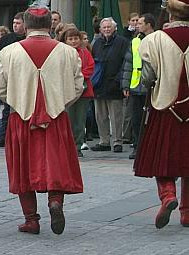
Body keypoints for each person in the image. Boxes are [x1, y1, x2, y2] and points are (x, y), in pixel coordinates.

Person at [0, 0, 84, 235]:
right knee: (55, 162)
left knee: (22, 167)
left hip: (21, 117)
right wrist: (60, 103)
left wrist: (18, 100)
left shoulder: (9, 52)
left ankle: (31, 219)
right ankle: (55, 201)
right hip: (56, 117)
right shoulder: (67, 52)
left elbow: (0, 88)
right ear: (50, 25)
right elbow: (78, 86)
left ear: (26, 25)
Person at [133, 0, 189, 229]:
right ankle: (187, 213)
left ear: (170, 13)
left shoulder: (154, 40)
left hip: (164, 106)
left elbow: (147, 78)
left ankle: (168, 195)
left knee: (162, 157)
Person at [91, 17, 128, 152]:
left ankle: (117, 141)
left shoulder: (122, 42)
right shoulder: (97, 43)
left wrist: (119, 80)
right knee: (100, 115)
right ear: (100, 29)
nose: (106, 29)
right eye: (104, 27)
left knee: (116, 116)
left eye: (109, 27)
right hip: (99, 84)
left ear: (114, 28)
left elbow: (125, 63)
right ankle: (104, 141)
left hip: (115, 84)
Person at [122, 13, 156, 159]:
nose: (137, 25)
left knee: (152, 119)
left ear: (149, 24)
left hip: (152, 85)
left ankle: (151, 147)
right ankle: (137, 146)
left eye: (141, 23)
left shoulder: (157, 39)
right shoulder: (135, 41)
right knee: (136, 120)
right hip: (136, 86)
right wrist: (125, 85)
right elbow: (128, 63)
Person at [59, 27, 95, 157]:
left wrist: (78, 77)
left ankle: (77, 146)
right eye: (70, 39)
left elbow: (90, 67)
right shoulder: (61, 54)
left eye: (76, 38)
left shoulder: (85, 53)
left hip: (83, 91)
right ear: (65, 40)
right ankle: (66, 146)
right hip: (65, 91)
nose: (73, 41)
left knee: (80, 121)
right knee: (67, 119)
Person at [0, 12, 26, 147]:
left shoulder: (27, 39)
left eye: (18, 23)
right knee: (7, 109)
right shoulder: (6, 39)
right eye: (13, 23)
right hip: (9, 78)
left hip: (24, 79)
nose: (15, 25)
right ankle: (3, 137)